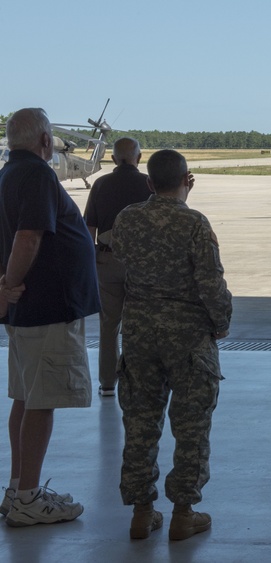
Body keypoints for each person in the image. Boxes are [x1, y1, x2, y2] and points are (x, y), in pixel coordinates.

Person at [114, 149, 232, 541]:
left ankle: (141, 512)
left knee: (140, 422)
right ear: (188, 180)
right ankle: (184, 512)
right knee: (191, 424)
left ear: (149, 183)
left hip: (139, 333)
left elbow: (123, 264)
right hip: (187, 336)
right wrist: (221, 323)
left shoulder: (127, 218)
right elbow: (211, 283)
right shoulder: (194, 223)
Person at [0, 108, 99, 526]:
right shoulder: (39, 175)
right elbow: (28, 236)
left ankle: (19, 488)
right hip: (47, 307)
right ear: (44, 141)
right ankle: (27, 498)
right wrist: (8, 287)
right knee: (41, 402)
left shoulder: (8, 173)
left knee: (26, 397)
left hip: (30, 309)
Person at [83, 137, 151, 398]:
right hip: (142, 264)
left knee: (109, 326)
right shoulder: (149, 184)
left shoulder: (100, 184)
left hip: (107, 261)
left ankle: (108, 383)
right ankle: (139, 381)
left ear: (112, 159)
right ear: (139, 157)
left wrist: (91, 265)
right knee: (141, 325)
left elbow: (90, 229)